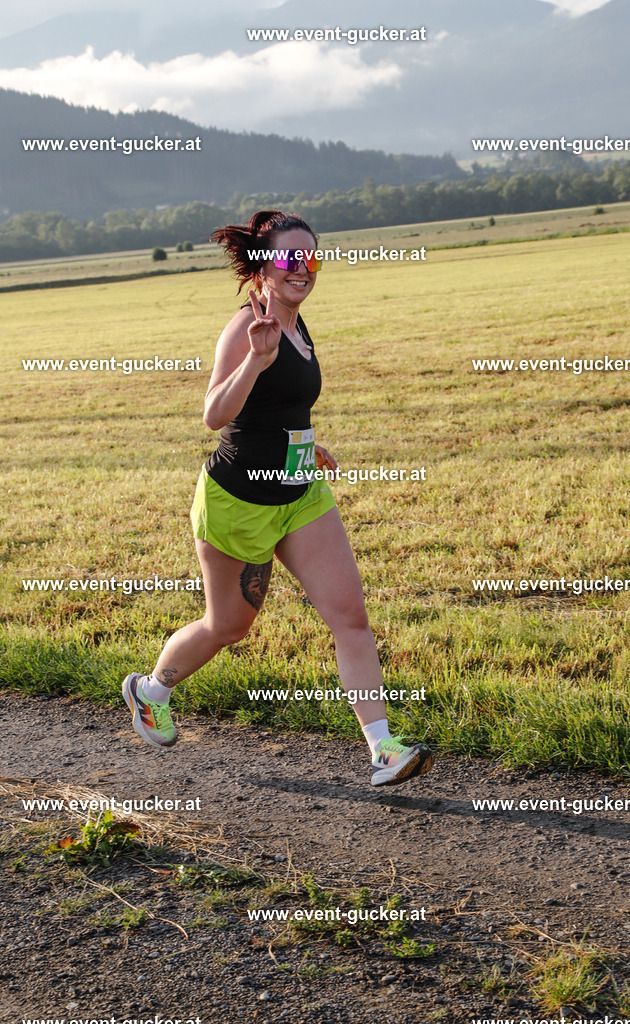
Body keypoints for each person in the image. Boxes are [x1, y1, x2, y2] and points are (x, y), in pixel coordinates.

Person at [122, 210, 434, 787]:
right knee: (228, 627)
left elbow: (284, 408)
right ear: (264, 266)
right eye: (291, 258)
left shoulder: (298, 321)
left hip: (298, 494)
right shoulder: (248, 328)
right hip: (238, 500)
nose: (304, 269)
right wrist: (254, 361)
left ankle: (383, 748)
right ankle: (151, 689)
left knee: (350, 617)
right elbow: (216, 414)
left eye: (311, 258)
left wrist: (310, 447)